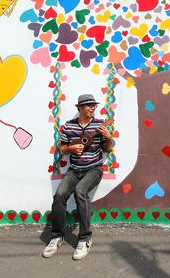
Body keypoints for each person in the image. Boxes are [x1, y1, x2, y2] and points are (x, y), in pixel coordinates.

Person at [42, 94, 113, 260]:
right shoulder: (68, 126)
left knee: (81, 191)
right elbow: (63, 149)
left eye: (93, 105)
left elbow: (107, 149)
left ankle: (84, 238)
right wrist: (72, 149)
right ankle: (57, 236)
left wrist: (109, 138)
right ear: (79, 108)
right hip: (74, 169)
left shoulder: (99, 125)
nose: (92, 108)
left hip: (94, 169)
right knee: (59, 195)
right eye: (88, 105)